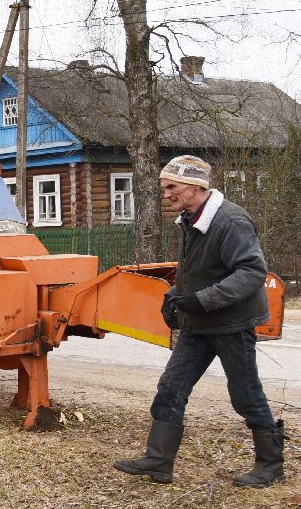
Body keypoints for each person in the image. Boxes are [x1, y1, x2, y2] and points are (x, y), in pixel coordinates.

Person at [114, 155, 285, 488]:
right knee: (170, 389)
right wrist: (174, 296)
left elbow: (251, 273)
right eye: (165, 188)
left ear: (195, 186)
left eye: (171, 187)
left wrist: (201, 300)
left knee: (245, 395)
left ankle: (271, 465)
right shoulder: (191, 218)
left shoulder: (230, 221)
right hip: (197, 324)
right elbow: (198, 271)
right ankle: (159, 461)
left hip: (232, 324)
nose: (166, 194)